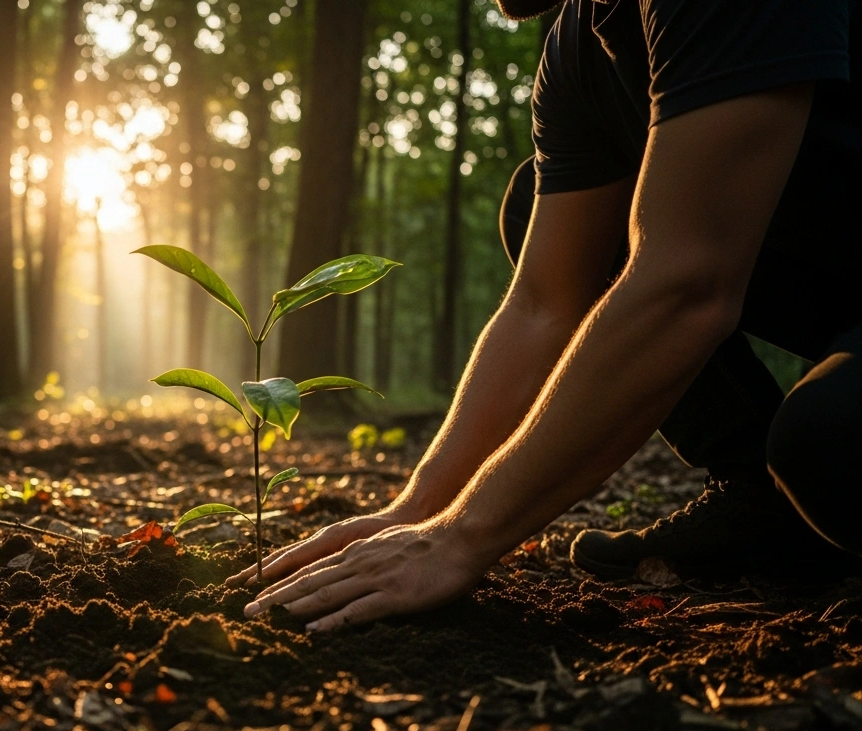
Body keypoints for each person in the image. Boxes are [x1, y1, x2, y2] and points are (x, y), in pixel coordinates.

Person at [232, 0, 861, 631]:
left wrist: (463, 538)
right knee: (539, 204)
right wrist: (421, 509)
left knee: (833, 445)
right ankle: (759, 503)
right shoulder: (579, 45)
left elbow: (686, 286)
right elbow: (542, 305)